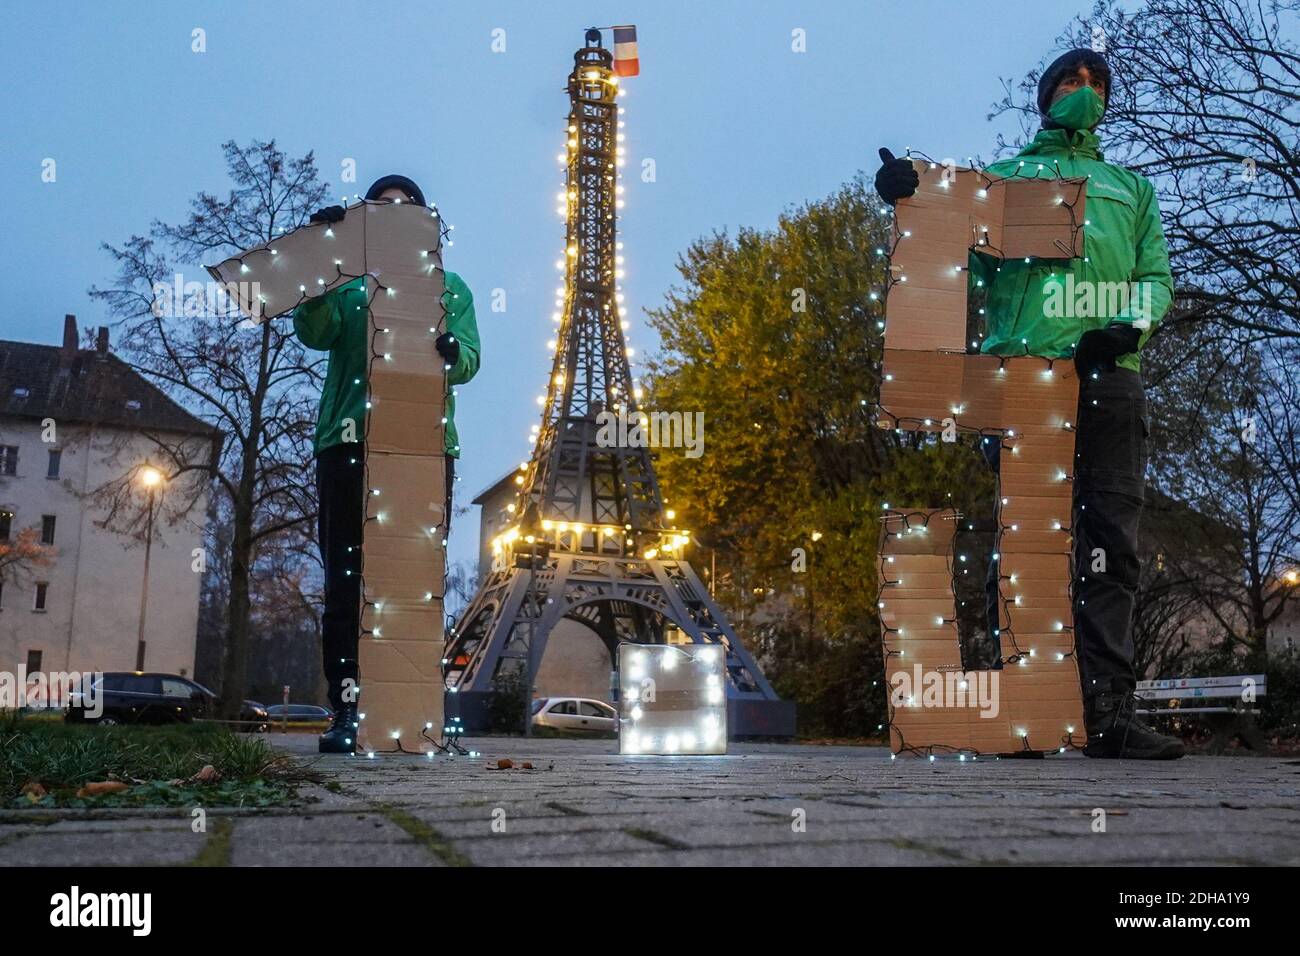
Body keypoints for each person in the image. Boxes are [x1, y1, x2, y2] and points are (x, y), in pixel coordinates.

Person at [874, 49, 1183, 759]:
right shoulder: (1005, 182)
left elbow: (1156, 276)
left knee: (1113, 547)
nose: (1086, 92)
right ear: (1046, 97)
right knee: (1027, 545)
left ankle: (1108, 717)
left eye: (1097, 84)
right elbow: (950, 251)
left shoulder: (1132, 189)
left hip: (1110, 376)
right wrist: (908, 195)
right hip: (1024, 377)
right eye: (1072, 81)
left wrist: (1127, 326)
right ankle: (1026, 713)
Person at [294, 174, 481, 754]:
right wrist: (321, 255)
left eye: (407, 208)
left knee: (414, 582)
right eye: (384, 208)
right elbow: (312, 330)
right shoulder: (348, 288)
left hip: (422, 450)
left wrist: (455, 352)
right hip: (349, 444)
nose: (396, 214)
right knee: (346, 583)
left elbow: (470, 359)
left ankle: (411, 706)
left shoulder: (450, 290)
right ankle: (348, 708)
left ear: (425, 224)